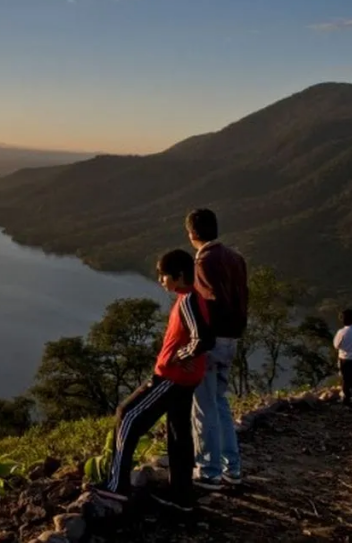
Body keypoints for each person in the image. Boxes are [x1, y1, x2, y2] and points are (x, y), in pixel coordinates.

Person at [92, 249, 213, 513]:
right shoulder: (190, 298)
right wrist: (185, 354)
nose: (161, 281)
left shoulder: (189, 300)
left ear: (179, 276)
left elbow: (203, 338)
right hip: (185, 379)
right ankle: (181, 494)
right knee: (179, 431)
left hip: (172, 378)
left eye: (163, 276)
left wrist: (180, 356)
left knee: (127, 415)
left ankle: (117, 486)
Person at [185, 208, 247, 491]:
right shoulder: (236, 258)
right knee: (220, 403)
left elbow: (208, 303)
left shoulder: (204, 261)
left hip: (211, 342)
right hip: (231, 339)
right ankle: (231, 468)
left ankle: (208, 472)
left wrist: (196, 342)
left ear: (191, 234)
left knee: (203, 408)